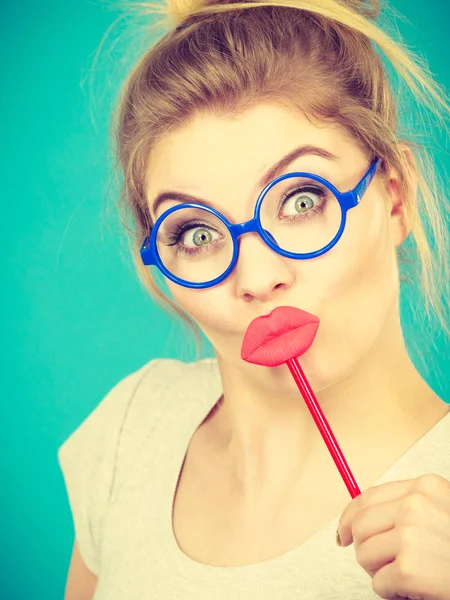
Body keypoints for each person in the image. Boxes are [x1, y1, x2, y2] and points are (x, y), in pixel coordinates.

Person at [58, 0, 450, 598]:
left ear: (394, 199)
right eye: (197, 233)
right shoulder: (134, 427)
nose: (257, 277)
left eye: (301, 200)